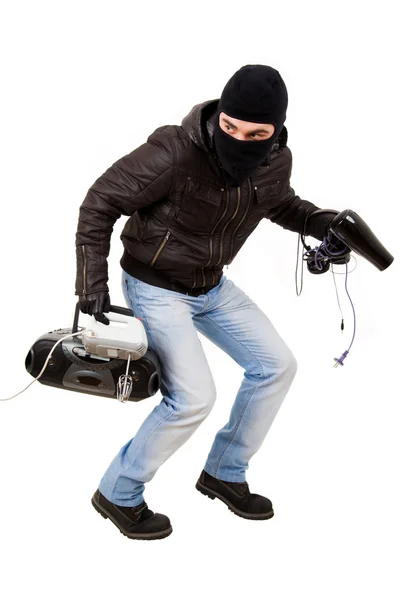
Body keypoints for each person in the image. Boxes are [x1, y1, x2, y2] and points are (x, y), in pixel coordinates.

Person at [75, 64, 339, 540]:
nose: (239, 139)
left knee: (276, 365)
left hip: (211, 287)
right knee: (193, 398)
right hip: (154, 286)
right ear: (219, 114)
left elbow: (279, 203)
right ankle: (118, 491)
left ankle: (224, 472)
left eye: (256, 133)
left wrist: (325, 224)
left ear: (275, 131)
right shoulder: (174, 151)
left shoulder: (276, 159)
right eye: (230, 127)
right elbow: (100, 202)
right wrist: (91, 283)